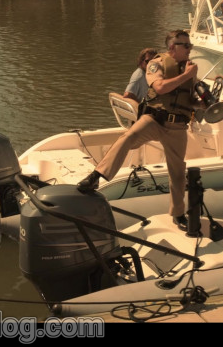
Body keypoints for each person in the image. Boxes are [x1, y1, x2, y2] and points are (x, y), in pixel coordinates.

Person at [78, 30, 201, 231]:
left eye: (190, 46)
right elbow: (160, 87)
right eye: (185, 45)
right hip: (155, 119)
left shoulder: (188, 69)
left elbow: (189, 100)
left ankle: (178, 214)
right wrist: (187, 75)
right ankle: (97, 176)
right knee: (128, 137)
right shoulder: (157, 63)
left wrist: (202, 104)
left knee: (178, 172)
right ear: (172, 47)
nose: (190, 49)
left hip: (178, 126)